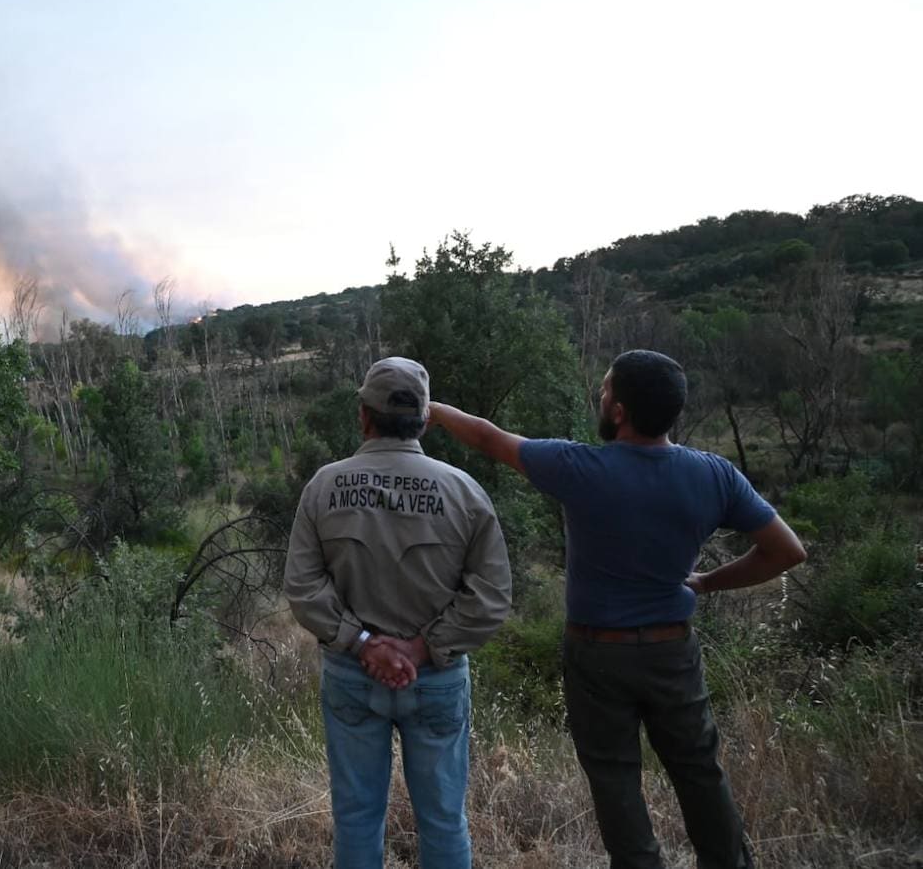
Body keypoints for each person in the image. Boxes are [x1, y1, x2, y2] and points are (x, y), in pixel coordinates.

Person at [428, 349, 807, 869]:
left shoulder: (580, 467)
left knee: (614, 779)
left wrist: (437, 409)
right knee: (699, 771)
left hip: (596, 655)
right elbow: (786, 550)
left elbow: (491, 439)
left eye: (606, 391)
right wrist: (706, 583)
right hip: (673, 649)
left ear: (621, 411)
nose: (600, 399)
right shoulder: (714, 475)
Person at [284, 356, 513, 869]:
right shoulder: (464, 491)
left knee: (357, 816)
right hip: (436, 679)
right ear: (426, 419)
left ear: (363, 415)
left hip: (350, 677)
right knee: (443, 820)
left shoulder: (324, 486)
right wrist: (423, 648)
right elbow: (492, 594)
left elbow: (301, 585)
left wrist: (363, 644)